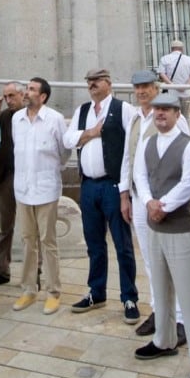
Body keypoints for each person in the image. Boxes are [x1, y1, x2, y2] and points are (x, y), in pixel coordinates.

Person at [132, 91, 190, 378]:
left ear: (178, 114)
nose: (161, 114)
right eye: (157, 110)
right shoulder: (148, 142)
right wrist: (148, 201)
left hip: (180, 228)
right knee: (160, 287)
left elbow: (189, 182)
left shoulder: (189, 145)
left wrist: (162, 205)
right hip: (155, 227)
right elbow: (139, 175)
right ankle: (163, 340)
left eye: (167, 110)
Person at [64, 67, 140, 321]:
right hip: (88, 186)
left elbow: (132, 147)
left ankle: (129, 296)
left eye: (96, 81)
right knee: (94, 243)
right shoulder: (82, 111)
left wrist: (126, 189)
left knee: (122, 244)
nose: (91, 85)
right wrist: (89, 134)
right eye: (89, 81)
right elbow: (68, 139)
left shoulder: (123, 109)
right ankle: (96, 291)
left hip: (113, 186)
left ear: (108, 82)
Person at [120, 69, 187, 345]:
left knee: (173, 260)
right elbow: (129, 157)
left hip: (163, 200)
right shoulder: (136, 118)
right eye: (138, 88)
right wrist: (124, 194)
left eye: (147, 87)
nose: (142, 92)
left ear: (156, 88)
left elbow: (183, 159)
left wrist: (166, 203)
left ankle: (181, 318)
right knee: (149, 258)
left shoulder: (175, 118)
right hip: (139, 198)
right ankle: (159, 310)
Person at [11, 77, 68, 315]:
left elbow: (64, 153)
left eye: (32, 90)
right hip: (23, 189)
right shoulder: (17, 119)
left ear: (42, 96)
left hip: (46, 189)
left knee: (48, 242)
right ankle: (28, 289)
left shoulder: (54, 119)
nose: (26, 92)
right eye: (27, 88)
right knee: (27, 241)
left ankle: (53, 291)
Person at [0, 81, 25, 288]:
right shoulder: (4, 116)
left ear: (22, 95)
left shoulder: (31, 115)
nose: (9, 100)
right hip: (7, 176)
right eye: (6, 96)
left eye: (12, 96)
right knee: (6, 226)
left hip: (28, 176)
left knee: (31, 228)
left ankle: (33, 271)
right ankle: (2, 269)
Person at [158, 40, 190, 120]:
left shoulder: (165, 59)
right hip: (186, 93)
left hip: (171, 93)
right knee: (185, 116)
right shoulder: (189, 59)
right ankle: (184, 131)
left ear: (171, 49)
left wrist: (172, 85)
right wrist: (185, 86)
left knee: (171, 116)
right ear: (182, 49)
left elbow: (162, 74)